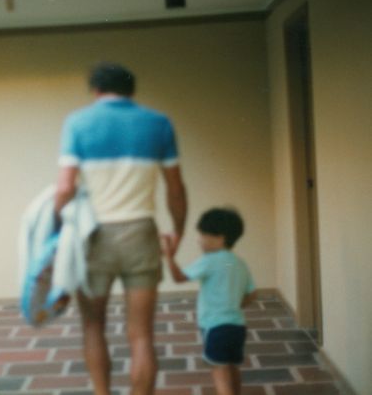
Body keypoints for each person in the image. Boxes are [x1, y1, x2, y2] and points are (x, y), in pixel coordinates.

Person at [54, 62, 187, 395]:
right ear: (132, 90)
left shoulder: (77, 122)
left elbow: (65, 188)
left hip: (93, 238)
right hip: (141, 233)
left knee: (93, 325)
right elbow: (175, 189)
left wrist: (54, 231)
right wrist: (178, 230)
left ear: (95, 90)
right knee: (142, 334)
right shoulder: (158, 123)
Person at [163, 208, 256, 395]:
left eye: (203, 235)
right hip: (237, 327)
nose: (199, 240)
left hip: (216, 328)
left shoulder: (209, 260)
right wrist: (233, 305)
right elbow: (252, 294)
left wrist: (169, 256)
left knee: (219, 372)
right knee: (232, 367)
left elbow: (179, 277)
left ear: (220, 238)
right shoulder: (239, 263)